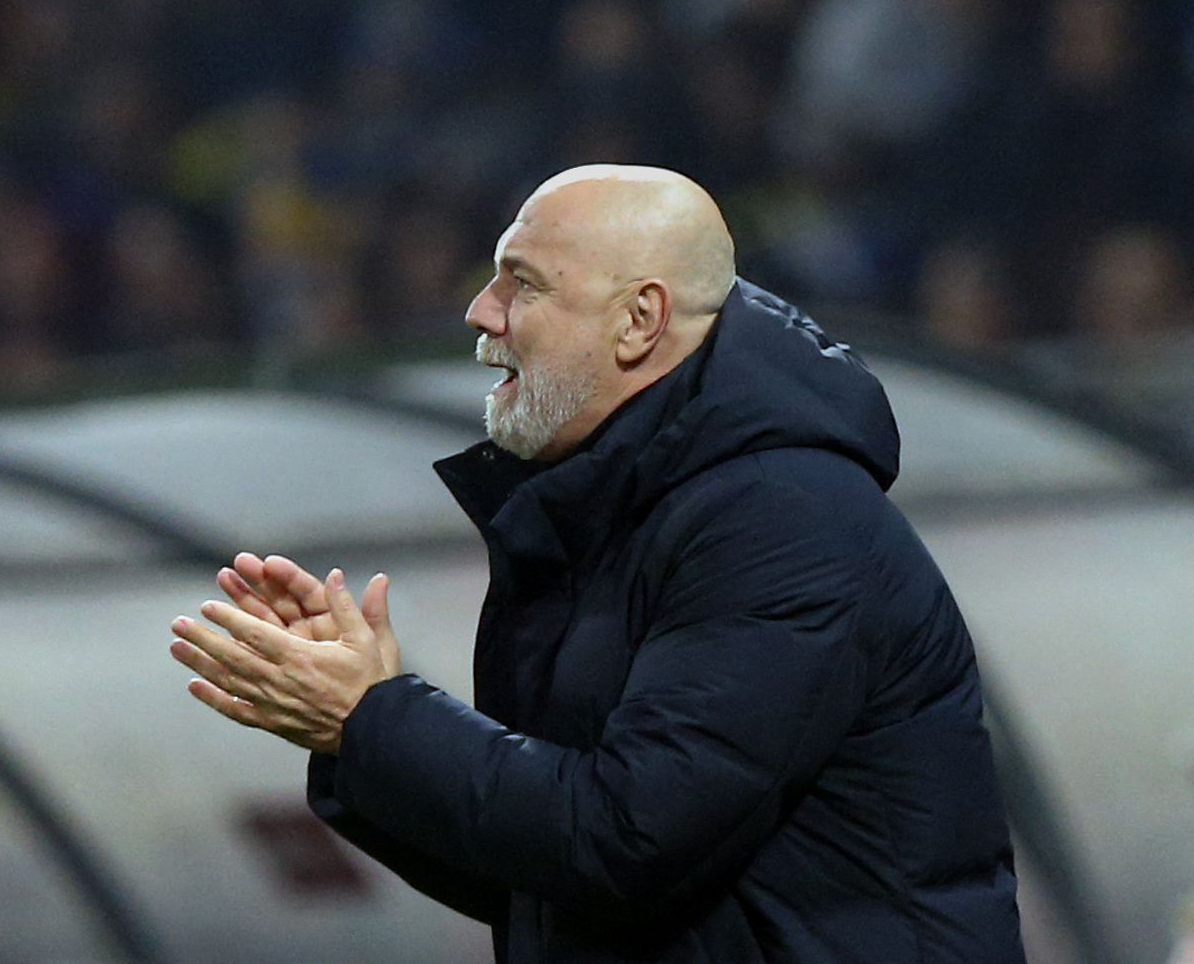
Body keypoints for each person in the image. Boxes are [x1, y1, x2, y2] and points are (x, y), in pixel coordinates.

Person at [169, 164, 1025, 963]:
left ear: (639, 319)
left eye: (523, 282)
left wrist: (377, 718)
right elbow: (543, 875)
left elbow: (624, 837)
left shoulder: (779, 519)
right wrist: (359, 731)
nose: (480, 309)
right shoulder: (623, 509)